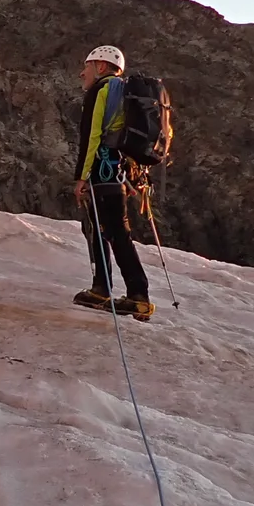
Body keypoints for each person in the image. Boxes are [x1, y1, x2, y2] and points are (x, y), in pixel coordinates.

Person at [72, 45, 153, 321]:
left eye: (87, 65)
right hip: (120, 171)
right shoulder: (124, 92)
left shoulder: (102, 90)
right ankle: (103, 287)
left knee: (114, 230)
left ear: (101, 66)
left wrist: (81, 176)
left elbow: (91, 137)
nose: (82, 72)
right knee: (103, 227)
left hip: (103, 171)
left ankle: (136, 295)